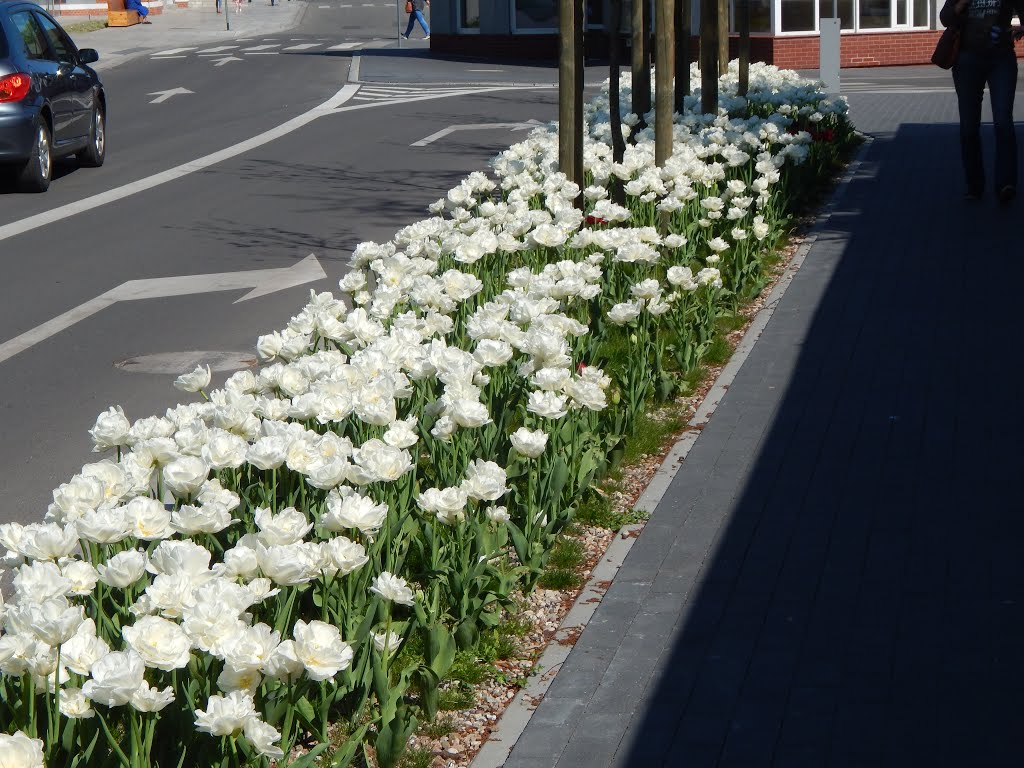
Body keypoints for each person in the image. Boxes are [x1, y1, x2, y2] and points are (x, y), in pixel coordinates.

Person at [940, 0, 1024, 202]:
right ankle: (975, 185)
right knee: (969, 127)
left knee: (1003, 121)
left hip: (1001, 60)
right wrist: (961, 4)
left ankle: (1006, 183)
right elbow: (945, 18)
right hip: (967, 60)